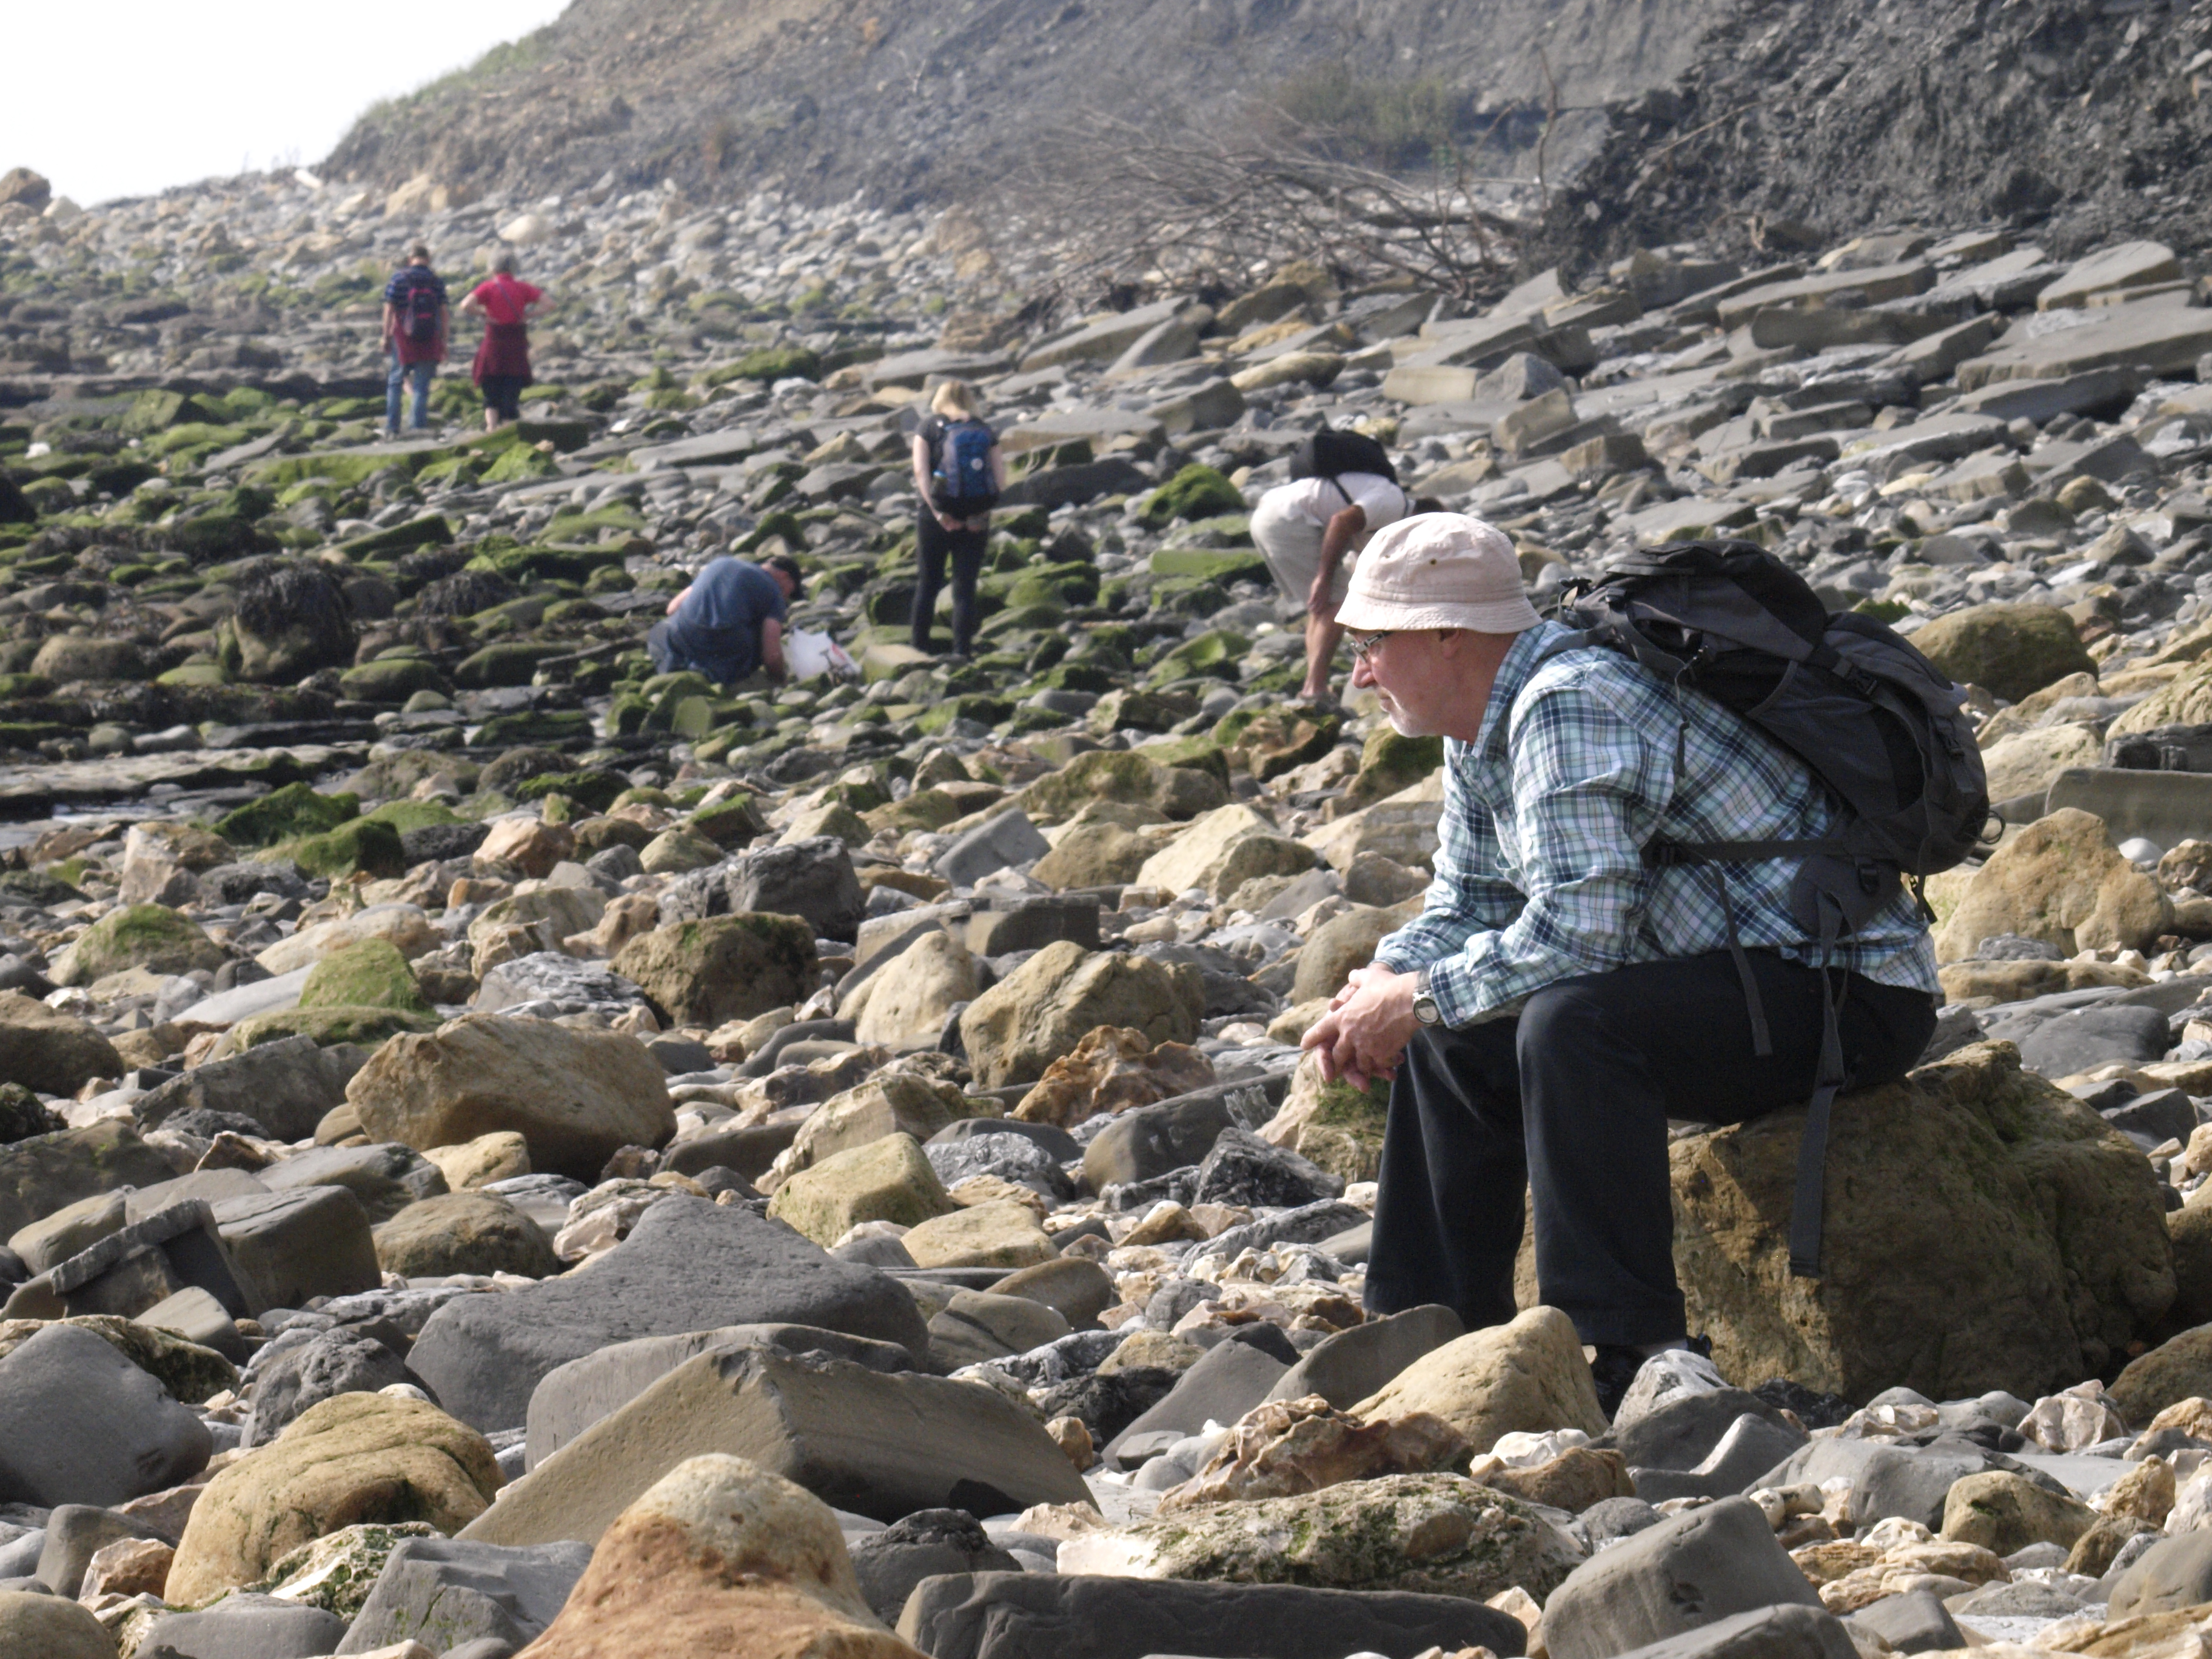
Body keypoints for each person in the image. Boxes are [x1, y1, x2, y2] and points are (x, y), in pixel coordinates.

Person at [1299, 514, 1941, 1414]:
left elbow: (1583, 935)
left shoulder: (1570, 698)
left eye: (1372, 644)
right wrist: (1378, 986)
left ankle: (1630, 1345)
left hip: (1846, 990)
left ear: (1450, 635)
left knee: (1572, 1023)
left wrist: (1421, 995)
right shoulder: (1479, 719)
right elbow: (1469, 901)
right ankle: (1431, 1333)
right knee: (1454, 1038)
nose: (1357, 669)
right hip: (1728, 982)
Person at [1251, 465, 1430, 703]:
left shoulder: (1387, 509)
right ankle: (1315, 689)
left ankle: (1311, 685)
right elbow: (1340, 521)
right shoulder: (1392, 501)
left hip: (1271, 514)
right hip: (1287, 519)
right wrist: (1323, 579)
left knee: (1321, 608)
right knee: (1337, 604)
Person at [908, 379, 1005, 659]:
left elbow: (919, 471)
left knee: (928, 583)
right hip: (976, 515)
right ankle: (962, 651)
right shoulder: (985, 430)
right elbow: (1000, 480)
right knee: (964, 587)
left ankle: (919, 650)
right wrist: (980, 515)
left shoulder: (928, 427)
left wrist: (939, 513)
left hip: (936, 516)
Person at [647, 553, 804, 686]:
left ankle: (679, 668)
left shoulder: (721, 563)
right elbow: (772, 656)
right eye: (790, 593)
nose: (786, 599)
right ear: (785, 576)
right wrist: (781, 681)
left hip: (684, 635)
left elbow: (672, 608)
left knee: (664, 631)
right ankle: (711, 675)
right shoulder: (774, 591)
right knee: (759, 634)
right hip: (723, 647)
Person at [458, 252, 543, 431]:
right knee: (512, 382)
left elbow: (466, 305)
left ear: (493, 268)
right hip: (515, 343)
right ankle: (508, 425)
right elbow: (550, 304)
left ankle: (491, 428)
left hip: (494, 343)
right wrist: (528, 315)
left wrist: (483, 314)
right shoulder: (522, 288)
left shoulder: (488, 287)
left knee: (491, 384)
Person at [380, 244, 448, 438]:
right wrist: (444, 340)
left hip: (403, 337)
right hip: (430, 337)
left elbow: (389, 309)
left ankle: (392, 427)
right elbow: (444, 313)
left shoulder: (399, 278)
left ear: (410, 259)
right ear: (428, 259)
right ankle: (417, 426)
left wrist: (385, 336)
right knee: (421, 383)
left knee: (395, 380)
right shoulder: (435, 280)